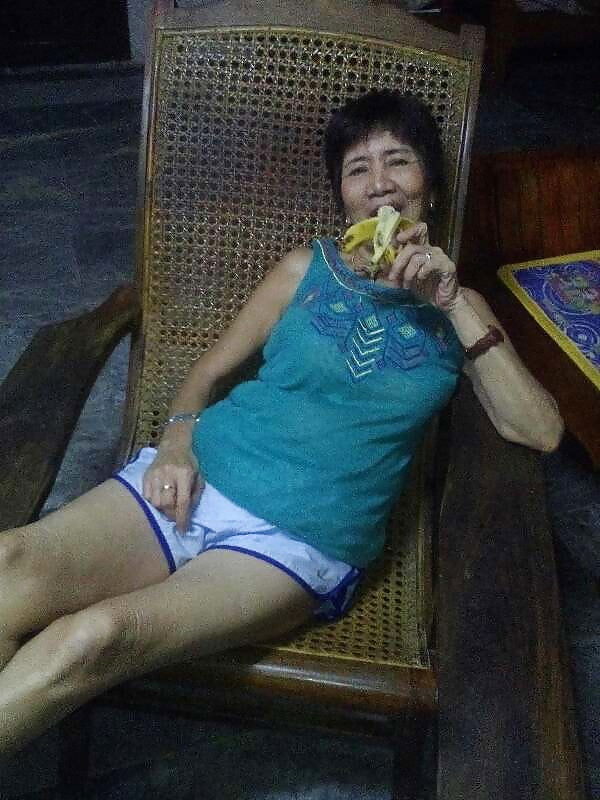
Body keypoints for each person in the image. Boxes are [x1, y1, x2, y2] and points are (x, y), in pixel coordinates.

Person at [0, 90, 563, 754]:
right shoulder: (304, 269)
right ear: (344, 198)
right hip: (197, 475)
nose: (379, 183)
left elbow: (540, 430)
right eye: (357, 169)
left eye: (398, 161)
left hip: (293, 543)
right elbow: (207, 373)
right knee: (10, 561)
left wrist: (452, 302)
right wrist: (177, 443)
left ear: (430, 187)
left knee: (93, 638)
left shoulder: (460, 311)